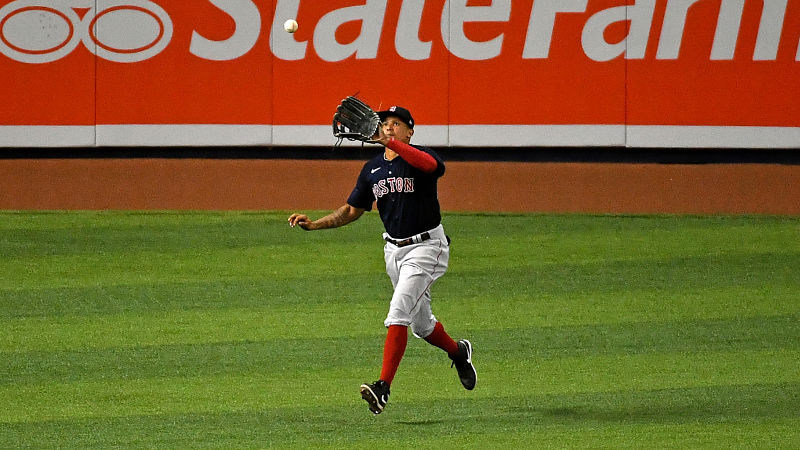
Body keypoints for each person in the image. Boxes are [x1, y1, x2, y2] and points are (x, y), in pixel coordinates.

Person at [288, 105, 476, 415]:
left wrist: (390, 144)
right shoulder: (372, 169)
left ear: (410, 131)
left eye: (397, 123)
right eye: (385, 123)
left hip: (428, 248)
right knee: (421, 324)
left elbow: (431, 166)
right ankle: (458, 353)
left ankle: (382, 388)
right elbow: (351, 210)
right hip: (393, 251)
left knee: (398, 311)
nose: (389, 127)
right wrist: (315, 224)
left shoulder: (420, 159)